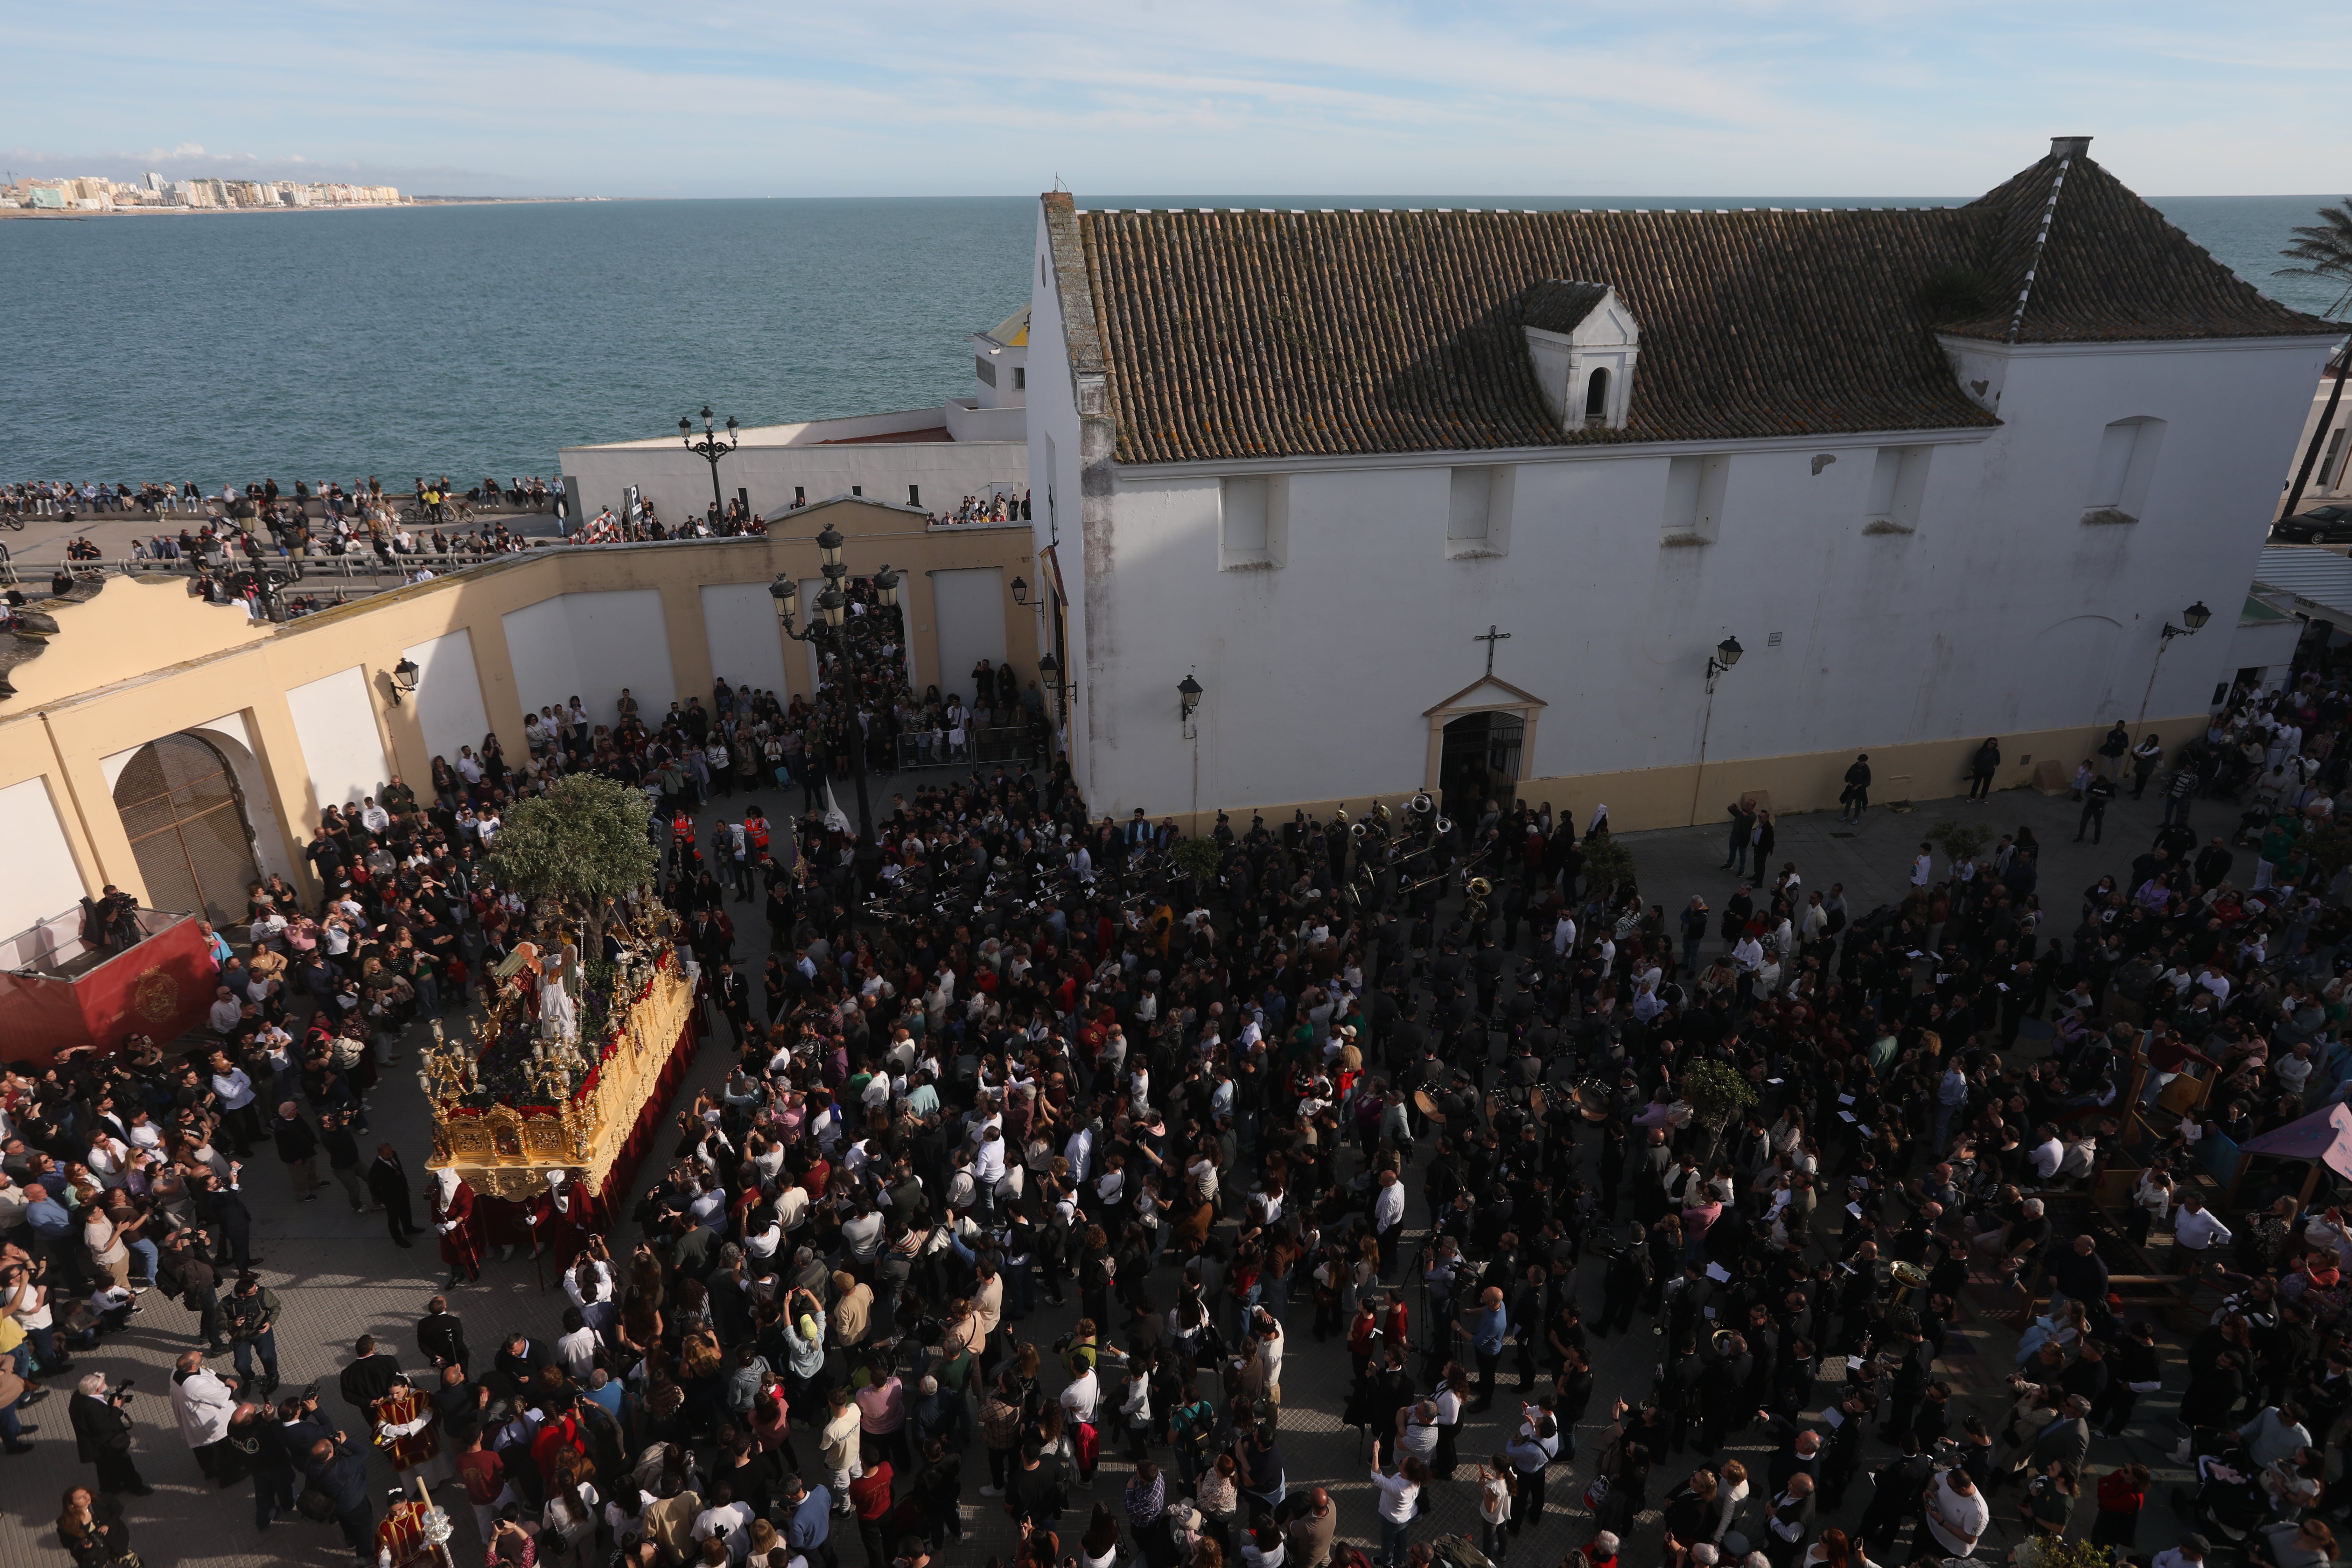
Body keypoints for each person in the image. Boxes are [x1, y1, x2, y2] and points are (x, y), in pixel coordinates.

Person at [68, 1372, 149, 1494]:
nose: (105, 1384)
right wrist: (117, 1408)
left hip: (94, 1445)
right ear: (98, 1390)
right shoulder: (93, 1407)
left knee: (104, 1468)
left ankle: (110, 1489)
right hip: (107, 1445)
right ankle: (137, 1488)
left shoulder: (78, 1395)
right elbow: (106, 1427)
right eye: (103, 1383)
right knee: (125, 1465)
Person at [1366, 1437, 1427, 1568]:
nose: (1399, 1463)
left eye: (1401, 1463)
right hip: (1406, 1517)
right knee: (1402, 1537)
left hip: (1392, 1519)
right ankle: (1401, 1559)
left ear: (1406, 1471)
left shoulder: (1398, 1489)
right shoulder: (1415, 1480)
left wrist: (1376, 1453)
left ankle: (1386, 1564)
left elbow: (1376, 1476)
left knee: (1388, 1541)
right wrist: (1392, 1478)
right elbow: (1398, 1480)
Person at [369, 1143, 421, 1247]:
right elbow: (373, 1188)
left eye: (391, 1153)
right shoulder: (376, 1168)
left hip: (402, 1191)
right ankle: (398, 1239)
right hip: (391, 1198)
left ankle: (408, 1228)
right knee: (394, 1219)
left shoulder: (394, 1156)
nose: (391, 1156)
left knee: (406, 1211)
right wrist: (384, 1199)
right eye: (387, 1155)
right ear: (380, 1154)